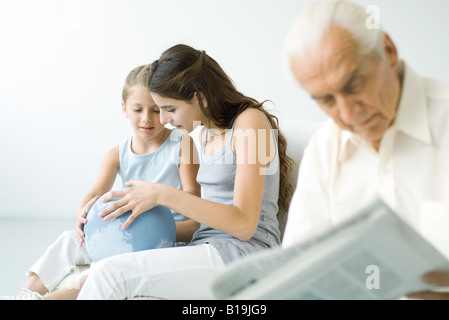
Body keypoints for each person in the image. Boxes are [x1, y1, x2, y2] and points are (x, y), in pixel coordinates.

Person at [71, 44, 294, 300]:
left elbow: (244, 225)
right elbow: (207, 223)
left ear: (200, 97)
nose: (163, 119)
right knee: (100, 268)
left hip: (245, 256)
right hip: (206, 246)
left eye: (170, 109)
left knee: (111, 275)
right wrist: (135, 227)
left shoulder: (250, 122)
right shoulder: (205, 134)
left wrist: (162, 195)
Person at [282, 0, 449, 299]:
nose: (347, 114)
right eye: (326, 100)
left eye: (354, 85)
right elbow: (298, 274)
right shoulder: (324, 149)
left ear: (388, 51)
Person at [3, 64, 201, 300]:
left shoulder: (183, 146)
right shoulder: (116, 154)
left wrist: (151, 231)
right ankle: (23, 294)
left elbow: (195, 214)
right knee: (68, 240)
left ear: (167, 110)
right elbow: (95, 193)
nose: (146, 118)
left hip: (165, 240)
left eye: (156, 110)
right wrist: (82, 214)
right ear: (124, 109)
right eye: (138, 109)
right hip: (123, 231)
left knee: (105, 270)